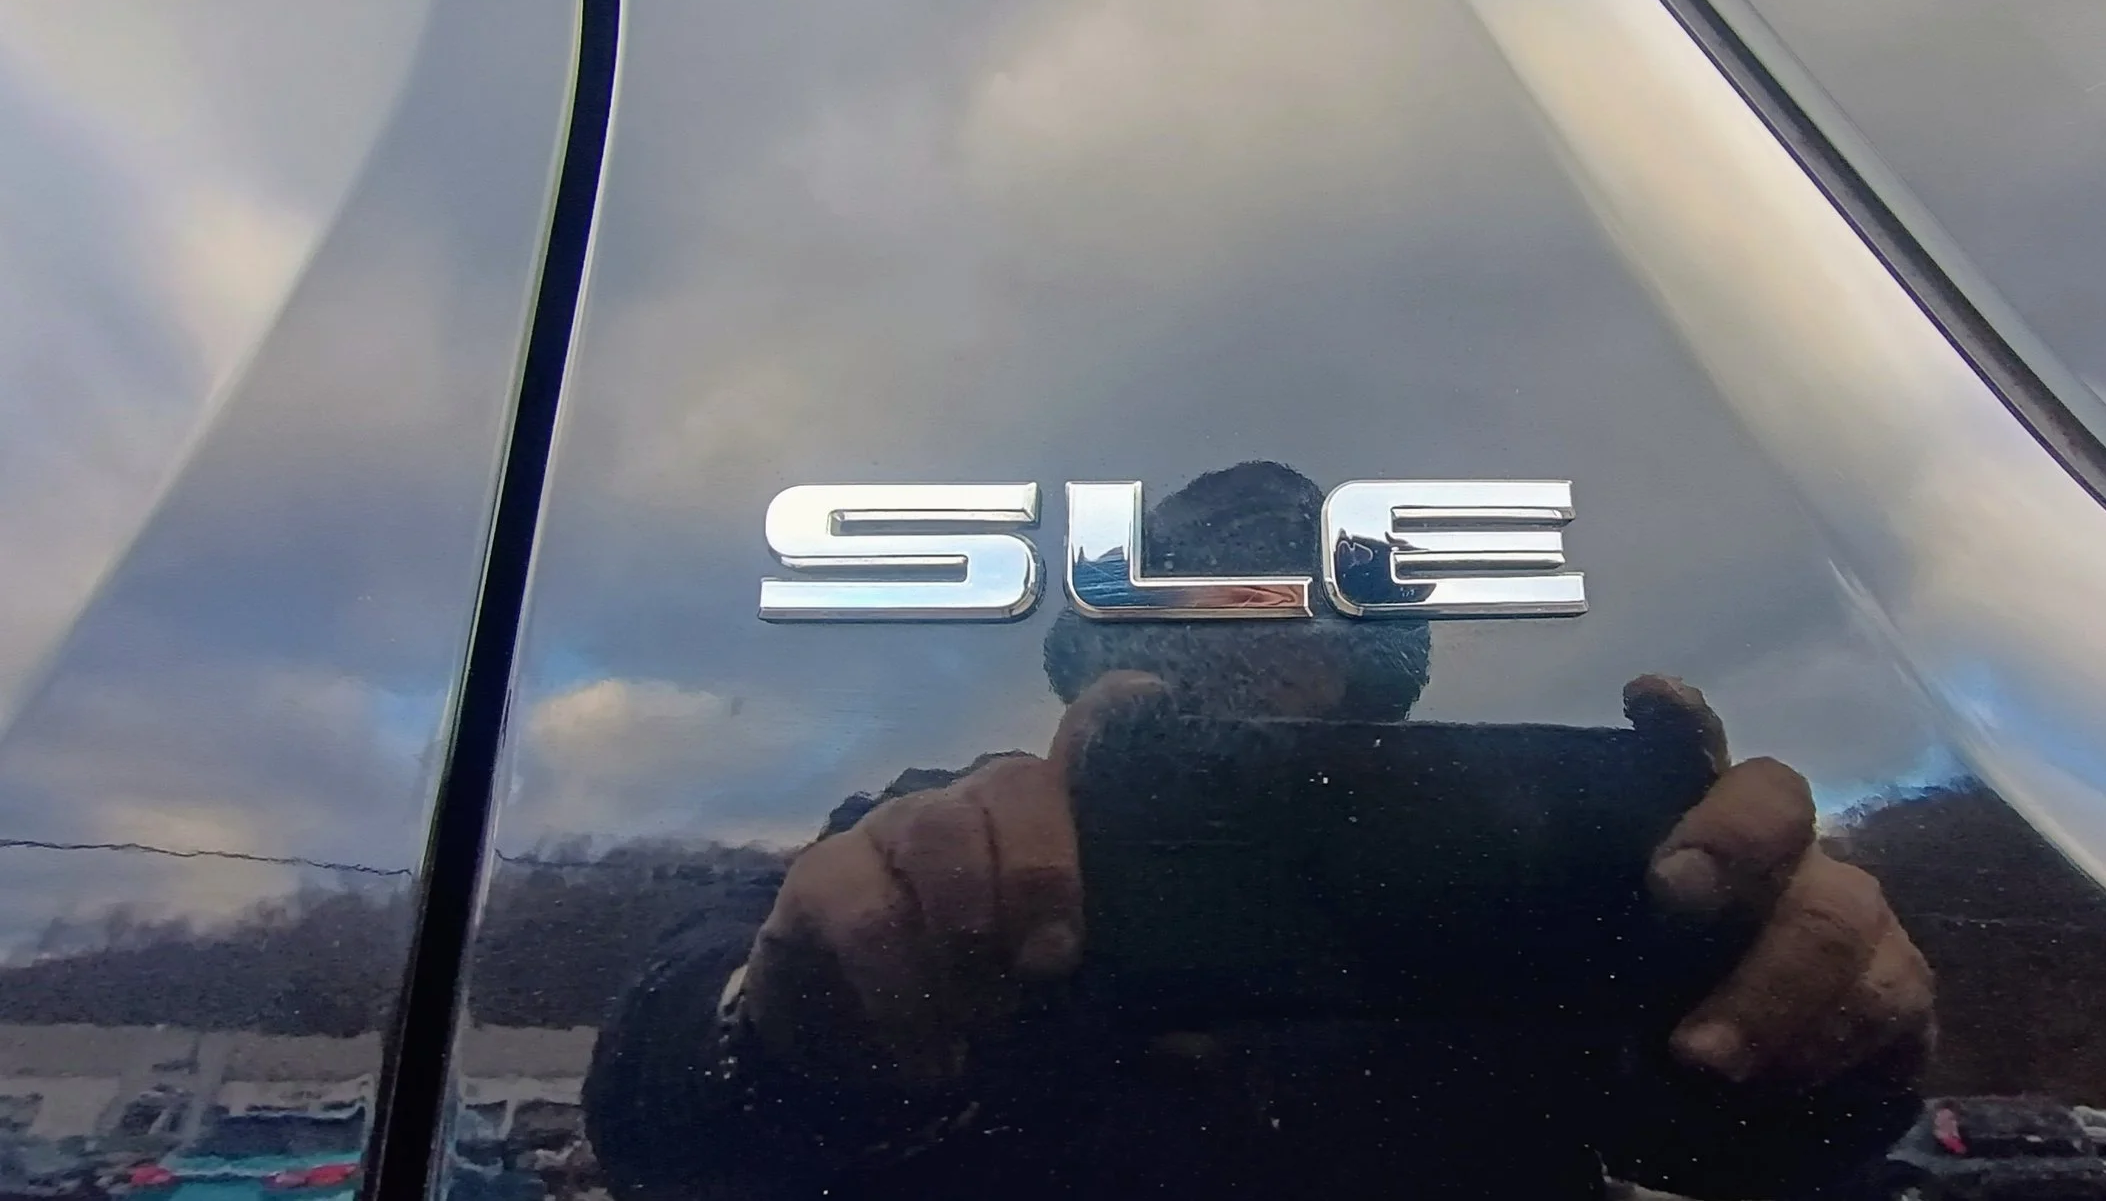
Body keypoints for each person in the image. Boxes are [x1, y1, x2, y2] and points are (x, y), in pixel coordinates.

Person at [586, 462, 1934, 1200]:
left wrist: (1812, 1042)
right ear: (1102, 670)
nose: (1275, 688)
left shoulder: (1499, 866)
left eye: (1316, 648)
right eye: (1211, 635)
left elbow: (1707, 1135)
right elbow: (669, 1079)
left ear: (1378, 690)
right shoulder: (945, 846)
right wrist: (787, 1026)